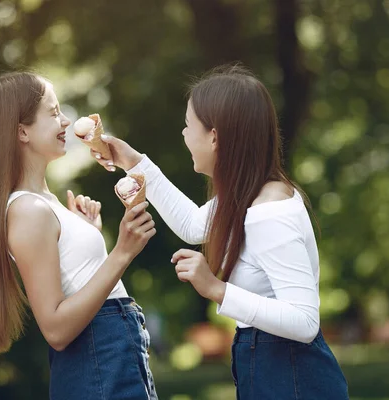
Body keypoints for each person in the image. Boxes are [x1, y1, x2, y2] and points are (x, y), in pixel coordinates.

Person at [94, 65, 349, 399]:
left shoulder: (268, 210)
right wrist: (134, 162)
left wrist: (216, 289)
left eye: (189, 126)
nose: (184, 134)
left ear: (214, 136)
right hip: (272, 368)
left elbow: (304, 322)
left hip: (293, 376)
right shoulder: (246, 197)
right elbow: (192, 225)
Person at [0, 72, 159, 400]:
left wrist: (89, 235)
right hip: (98, 363)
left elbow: (77, 286)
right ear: (21, 131)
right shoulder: (28, 211)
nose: (65, 120)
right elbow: (56, 330)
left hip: (112, 356)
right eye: (52, 113)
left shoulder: (47, 204)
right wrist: (122, 252)